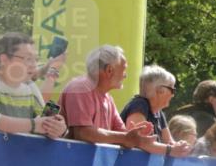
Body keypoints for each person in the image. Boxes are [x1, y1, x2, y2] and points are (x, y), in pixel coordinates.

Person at [59, 45, 188, 156]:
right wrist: (129, 138)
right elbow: (83, 133)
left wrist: (139, 136)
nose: (125, 75)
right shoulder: (80, 88)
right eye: (124, 69)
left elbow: (125, 134)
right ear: (109, 70)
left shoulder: (108, 98)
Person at [0, 32, 67, 139]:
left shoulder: (30, 87)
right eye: (28, 59)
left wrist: (59, 128)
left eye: (36, 59)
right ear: (4, 59)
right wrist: (33, 125)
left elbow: (45, 120)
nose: (34, 65)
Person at [120, 65, 183, 145]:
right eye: (172, 90)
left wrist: (181, 146)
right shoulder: (139, 105)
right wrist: (170, 150)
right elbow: (141, 143)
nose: (172, 95)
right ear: (160, 90)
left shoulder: (158, 112)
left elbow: (169, 142)